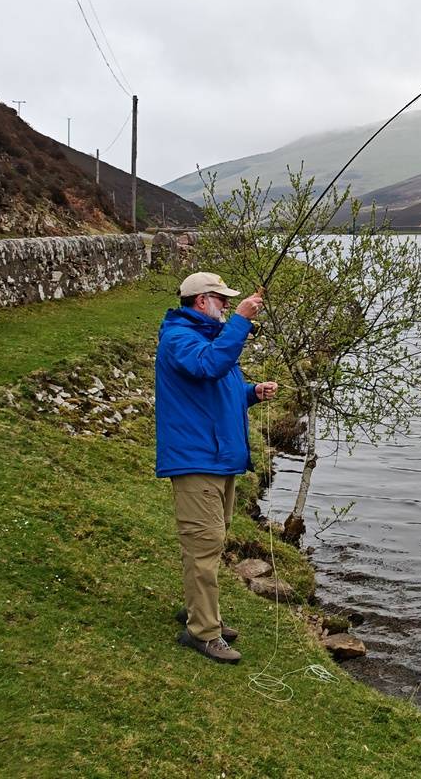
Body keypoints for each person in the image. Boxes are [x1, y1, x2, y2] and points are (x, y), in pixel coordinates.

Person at [154, 271, 278, 664]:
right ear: (200, 301)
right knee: (203, 546)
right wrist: (241, 320)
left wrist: (251, 394)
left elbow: (215, 389)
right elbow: (207, 367)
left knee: (211, 541)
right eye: (221, 299)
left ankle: (201, 612)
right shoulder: (179, 339)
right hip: (197, 460)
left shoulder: (207, 339)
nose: (226, 304)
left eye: (228, 300)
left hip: (217, 459)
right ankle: (203, 632)